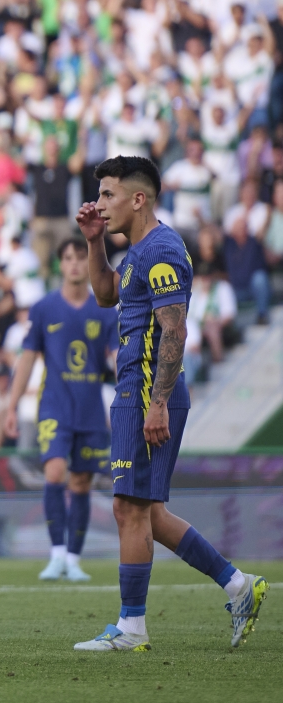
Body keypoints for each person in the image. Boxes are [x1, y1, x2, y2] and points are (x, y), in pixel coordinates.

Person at [74, 155, 268, 651]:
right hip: (133, 389)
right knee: (146, 512)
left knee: (127, 507)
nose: (100, 203)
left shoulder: (160, 250)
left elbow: (175, 328)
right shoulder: (136, 250)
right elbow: (102, 294)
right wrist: (94, 240)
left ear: (138, 199)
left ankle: (132, 628)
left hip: (145, 392)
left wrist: (157, 402)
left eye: (109, 195)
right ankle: (238, 586)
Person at [5, 238, 117, 582]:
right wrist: (12, 405)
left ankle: (73, 559)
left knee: (82, 482)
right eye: (67, 258)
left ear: (88, 263)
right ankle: (55, 554)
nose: (73, 264)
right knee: (55, 472)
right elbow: (27, 359)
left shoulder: (105, 310)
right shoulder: (43, 309)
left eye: (80, 258)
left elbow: (116, 357)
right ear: (60, 265)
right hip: (54, 405)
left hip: (90, 408)